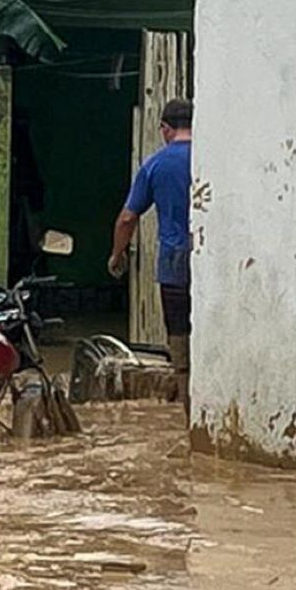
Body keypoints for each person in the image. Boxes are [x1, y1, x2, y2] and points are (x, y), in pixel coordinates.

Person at [109, 97, 193, 411]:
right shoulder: (211, 158)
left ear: (165, 128)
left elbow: (127, 218)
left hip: (174, 262)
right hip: (210, 261)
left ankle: (187, 407)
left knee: (180, 337)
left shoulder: (156, 164)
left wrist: (117, 255)